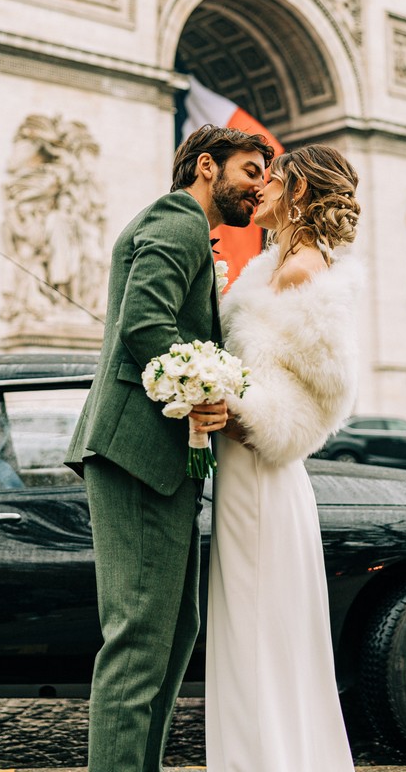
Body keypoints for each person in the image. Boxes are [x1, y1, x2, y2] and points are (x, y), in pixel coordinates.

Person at [64, 124, 274, 772]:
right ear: (205, 166)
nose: (258, 185)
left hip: (155, 460)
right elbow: (144, 324)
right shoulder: (177, 220)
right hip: (138, 456)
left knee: (171, 636)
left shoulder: (186, 228)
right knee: (137, 644)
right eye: (249, 170)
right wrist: (203, 390)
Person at [206, 144, 363, 772]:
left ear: (299, 193)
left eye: (276, 178)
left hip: (266, 478)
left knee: (259, 634)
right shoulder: (266, 266)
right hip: (242, 477)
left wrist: (240, 411)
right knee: (248, 634)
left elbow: (326, 401)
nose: (262, 185)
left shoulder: (303, 272)